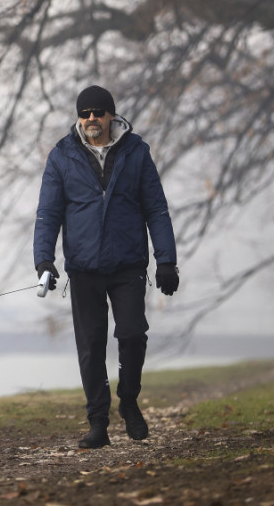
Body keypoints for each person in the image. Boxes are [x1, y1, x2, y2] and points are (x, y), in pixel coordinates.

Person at [33, 85, 179, 449]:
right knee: (91, 346)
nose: (92, 119)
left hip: (128, 263)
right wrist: (44, 260)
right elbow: (48, 214)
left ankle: (128, 401)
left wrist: (167, 260)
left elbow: (156, 210)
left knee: (132, 334)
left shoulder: (136, 152)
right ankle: (98, 422)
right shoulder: (62, 156)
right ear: (79, 118)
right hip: (83, 268)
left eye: (98, 112)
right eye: (85, 113)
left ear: (112, 115)